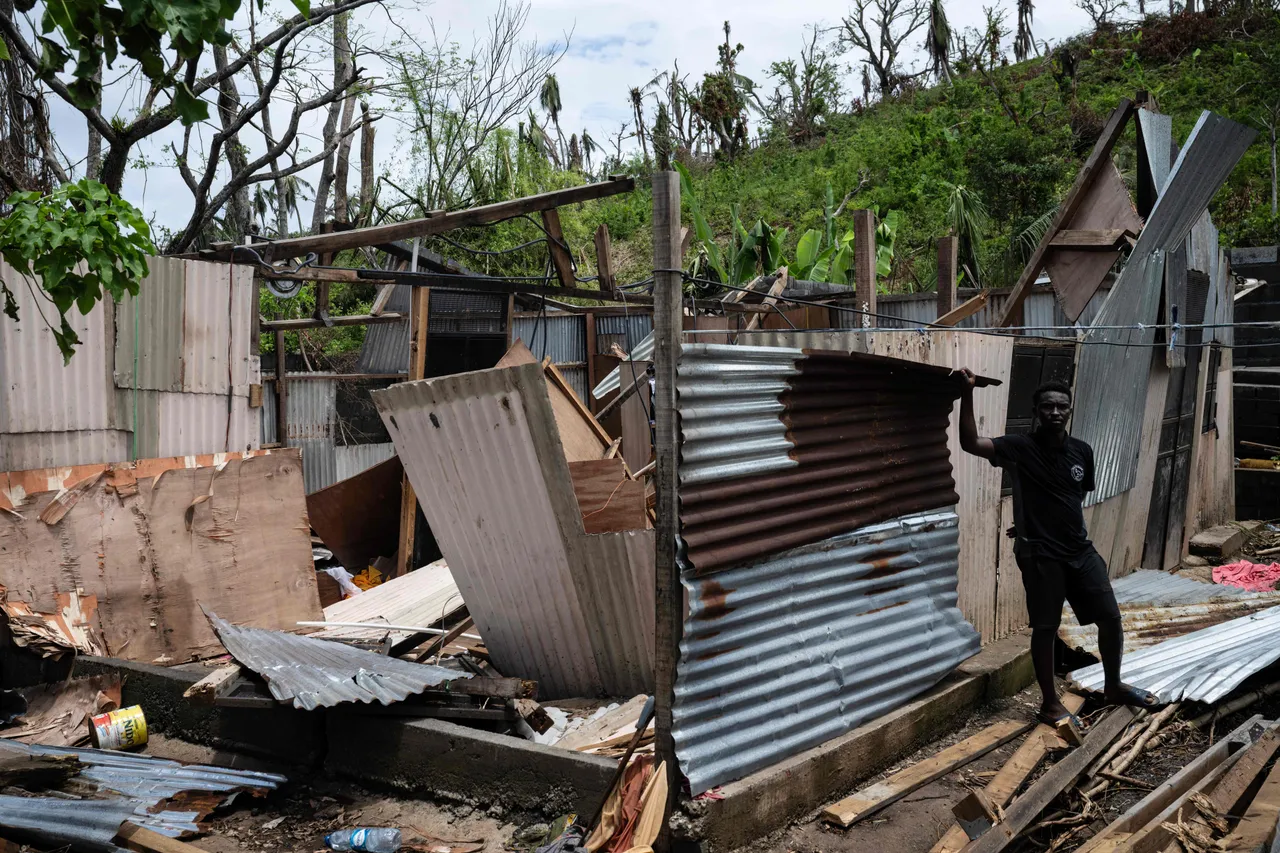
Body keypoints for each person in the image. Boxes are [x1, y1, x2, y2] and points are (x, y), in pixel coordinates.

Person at [957, 370, 1160, 725]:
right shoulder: (1019, 447)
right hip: (1041, 556)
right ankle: (1050, 704)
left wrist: (1034, 517)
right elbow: (971, 443)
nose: (1055, 412)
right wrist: (967, 393)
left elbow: (1071, 497)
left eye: (1061, 407)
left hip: (1079, 551)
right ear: (1036, 411)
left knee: (1110, 618)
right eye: (1047, 406)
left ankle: (1113, 685)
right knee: (1046, 628)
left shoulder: (1082, 451)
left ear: (1070, 410)